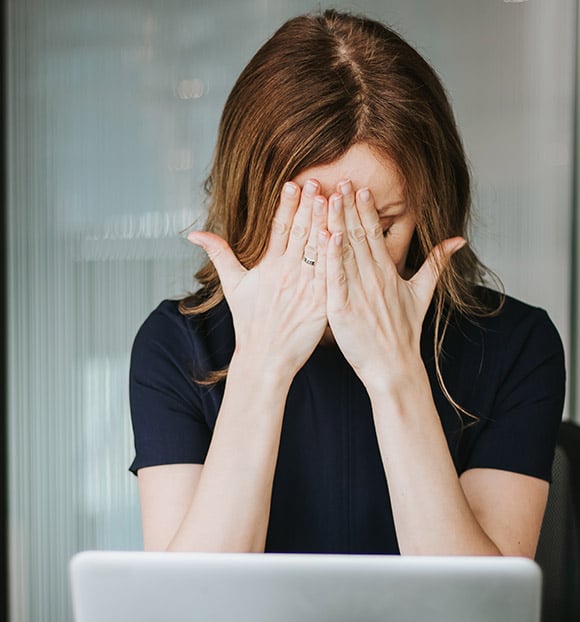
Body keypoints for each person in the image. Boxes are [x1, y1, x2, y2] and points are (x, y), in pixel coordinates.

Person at [129, 9, 565, 557]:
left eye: (377, 228)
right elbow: (186, 618)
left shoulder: (518, 345)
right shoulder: (175, 347)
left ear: (429, 213)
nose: (338, 260)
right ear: (250, 206)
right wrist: (261, 368)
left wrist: (395, 373)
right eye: (308, 228)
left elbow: (478, 617)